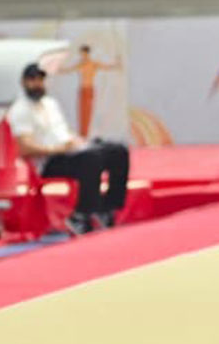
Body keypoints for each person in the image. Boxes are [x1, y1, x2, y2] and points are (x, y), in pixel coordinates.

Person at [7, 63, 130, 234]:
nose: (37, 83)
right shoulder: (20, 110)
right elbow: (24, 148)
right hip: (49, 161)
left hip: (69, 151)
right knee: (91, 159)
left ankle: (107, 208)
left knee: (118, 151)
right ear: (24, 82)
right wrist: (57, 149)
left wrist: (79, 143)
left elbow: (63, 132)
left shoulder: (50, 104)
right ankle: (81, 214)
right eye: (32, 80)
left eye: (40, 79)